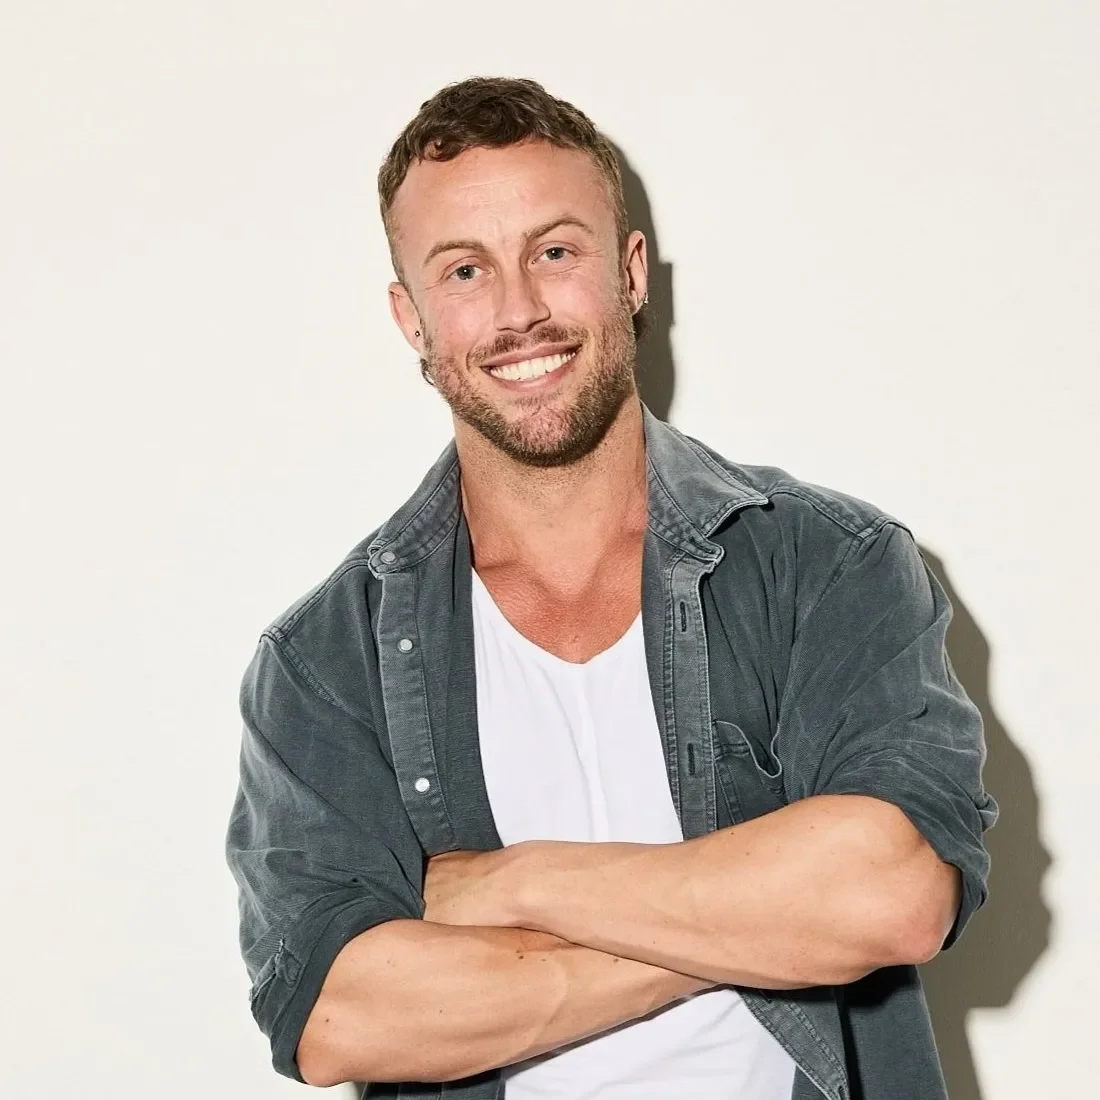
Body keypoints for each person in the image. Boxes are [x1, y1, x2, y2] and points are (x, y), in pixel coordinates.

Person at [226, 76, 996, 1100]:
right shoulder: (327, 659)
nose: (518, 311)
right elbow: (338, 1016)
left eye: (554, 251)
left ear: (629, 272)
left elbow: (889, 893)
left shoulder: (825, 562)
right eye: (464, 270)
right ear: (410, 318)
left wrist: (510, 882)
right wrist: (765, 921)